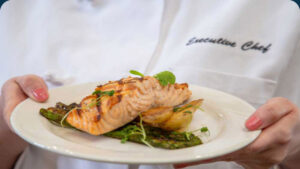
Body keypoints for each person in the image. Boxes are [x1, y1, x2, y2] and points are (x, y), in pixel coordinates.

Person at [0, 0, 299, 169]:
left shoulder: (282, 10)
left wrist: (291, 149)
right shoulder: (17, 9)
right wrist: (9, 121)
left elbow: (291, 149)